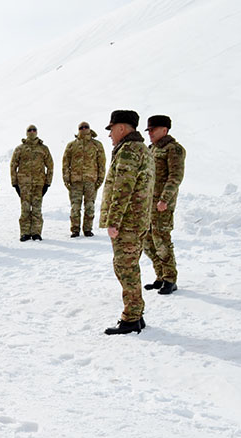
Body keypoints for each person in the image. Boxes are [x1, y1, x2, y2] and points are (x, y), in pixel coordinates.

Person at [99, 109, 155, 335]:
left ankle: (131, 317)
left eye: (111, 129)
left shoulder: (129, 151)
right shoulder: (141, 149)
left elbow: (123, 188)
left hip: (127, 222)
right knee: (128, 266)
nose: (110, 134)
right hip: (137, 220)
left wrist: (113, 221)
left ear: (121, 127)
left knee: (125, 267)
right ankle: (136, 313)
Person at [143, 114, 186, 295]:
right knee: (147, 241)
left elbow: (175, 177)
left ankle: (170, 278)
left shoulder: (173, 149)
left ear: (164, 130)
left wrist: (164, 199)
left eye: (153, 130)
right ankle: (160, 276)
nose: (150, 133)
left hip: (162, 205)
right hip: (147, 204)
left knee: (161, 240)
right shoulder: (150, 149)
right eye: (149, 130)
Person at [62, 121, 106, 237]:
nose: (84, 129)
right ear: (78, 130)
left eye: (86, 127)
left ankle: (88, 229)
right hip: (75, 182)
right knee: (75, 207)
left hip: (91, 181)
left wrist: (100, 179)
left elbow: (101, 164)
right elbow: (66, 164)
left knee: (89, 206)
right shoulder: (72, 145)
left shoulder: (97, 145)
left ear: (90, 129)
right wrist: (66, 179)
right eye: (81, 127)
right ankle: (75, 230)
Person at [10, 125, 53, 241]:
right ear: (26, 132)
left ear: (37, 132)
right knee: (25, 209)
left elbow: (50, 166)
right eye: (30, 130)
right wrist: (15, 184)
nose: (32, 132)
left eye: (34, 130)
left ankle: (36, 233)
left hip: (39, 184)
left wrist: (47, 183)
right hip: (24, 185)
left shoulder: (43, 148)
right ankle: (24, 233)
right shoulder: (20, 148)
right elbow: (13, 166)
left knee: (37, 209)